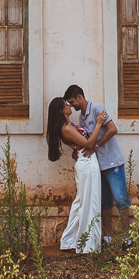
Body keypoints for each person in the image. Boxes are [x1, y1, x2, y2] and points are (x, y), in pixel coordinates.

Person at [63, 84, 130, 244]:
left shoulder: (97, 108)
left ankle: (127, 237)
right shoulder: (82, 117)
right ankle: (107, 236)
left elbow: (113, 129)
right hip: (98, 165)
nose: (71, 106)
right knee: (105, 201)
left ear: (79, 97)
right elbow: (86, 139)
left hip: (112, 162)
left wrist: (96, 146)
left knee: (121, 199)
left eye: (72, 102)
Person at [46, 95, 107, 253]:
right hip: (86, 162)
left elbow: (80, 144)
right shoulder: (66, 129)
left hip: (85, 160)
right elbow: (88, 143)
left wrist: (77, 150)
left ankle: (70, 240)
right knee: (89, 201)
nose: (69, 106)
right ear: (61, 110)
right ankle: (87, 244)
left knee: (82, 201)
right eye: (66, 105)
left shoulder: (68, 125)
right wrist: (99, 124)